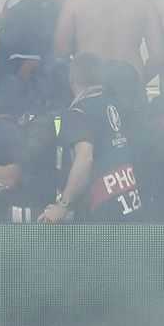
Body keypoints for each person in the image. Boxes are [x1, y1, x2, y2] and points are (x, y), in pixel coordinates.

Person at [40, 51, 147, 222]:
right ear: (101, 76)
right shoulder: (120, 106)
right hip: (131, 206)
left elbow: (85, 159)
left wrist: (62, 205)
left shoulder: (77, 113)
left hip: (100, 216)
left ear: (71, 78)